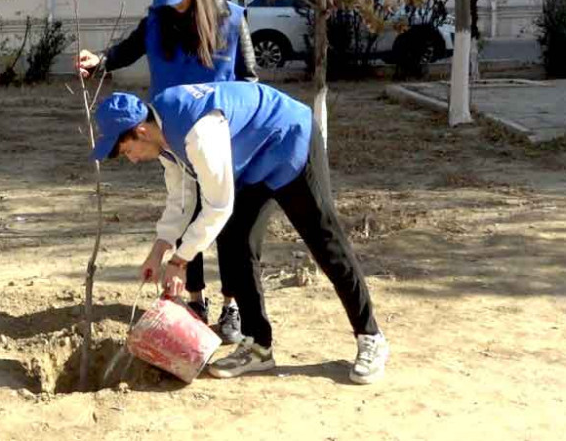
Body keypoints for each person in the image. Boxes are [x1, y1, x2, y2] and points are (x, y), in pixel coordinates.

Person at [91, 83, 389, 384]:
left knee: (324, 241)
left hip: (289, 139)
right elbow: (182, 199)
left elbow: (217, 206)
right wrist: (159, 250)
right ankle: (258, 345)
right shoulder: (164, 138)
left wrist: (180, 261)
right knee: (235, 242)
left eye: (128, 151)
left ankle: (370, 336)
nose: (132, 159)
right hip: (252, 161)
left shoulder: (198, 132)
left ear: (141, 131)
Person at [76, 0, 258, 343]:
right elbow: (127, 49)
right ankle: (195, 299)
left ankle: (231, 305)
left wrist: (237, 127)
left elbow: (249, 80)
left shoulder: (231, 18)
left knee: (227, 220)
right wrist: (100, 60)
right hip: (172, 134)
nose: (172, 3)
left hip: (222, 136)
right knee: (186, 211)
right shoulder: (157, 20)